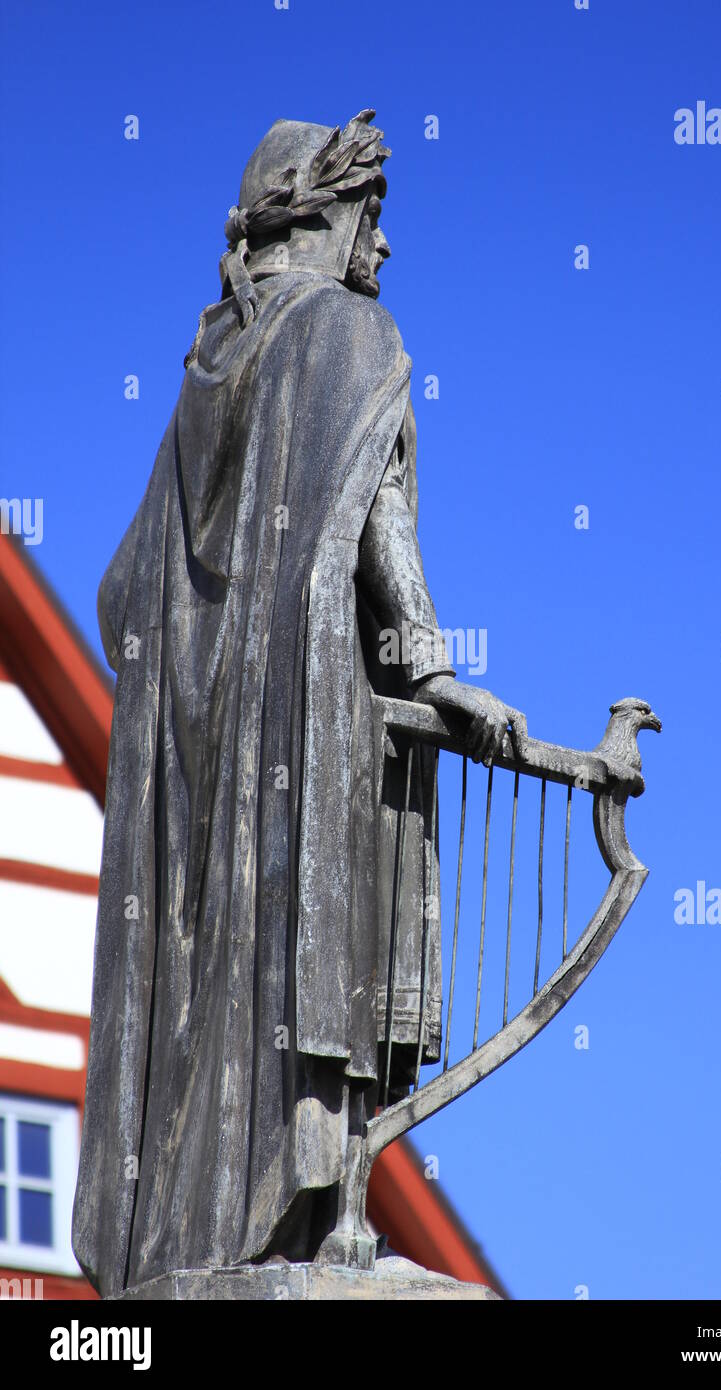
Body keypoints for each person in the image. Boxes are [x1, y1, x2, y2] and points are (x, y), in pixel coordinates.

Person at [72, 111, 517, 1294]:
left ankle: (205, 1222)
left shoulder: (202, 376)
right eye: (373, 215)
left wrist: (205, 674)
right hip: (315, 733)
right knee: (319, 954)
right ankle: (317, 1215)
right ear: (325, 213)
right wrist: (427, 669)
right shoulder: (347, 336)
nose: (385, 245)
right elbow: (379, 516)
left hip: (208, 755)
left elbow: (124, 595)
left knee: (223, 966)